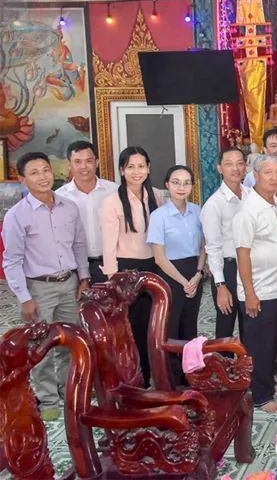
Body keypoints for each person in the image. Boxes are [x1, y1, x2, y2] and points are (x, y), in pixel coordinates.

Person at [2, 152, 90, 420]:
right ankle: (48, 398)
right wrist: (24, 297)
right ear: (22, 179)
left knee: (71, 341)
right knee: (39, 345)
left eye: (46, 170)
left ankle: (69, 390)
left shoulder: (69, 207)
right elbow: (11, 260)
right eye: (34, 173)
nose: (43, 177)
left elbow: (79, 245)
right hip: (39, 288)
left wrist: (84, 278)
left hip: (69, 283)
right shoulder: (17, 215)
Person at [100, 146, 164, 387]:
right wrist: (113, 280)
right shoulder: (112, 202)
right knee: (133, 328)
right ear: (122, 170)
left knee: (155, 324)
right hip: (127, 270)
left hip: (154, 266)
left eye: (141, 166)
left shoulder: (156, 195)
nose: (136, 172)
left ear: (148, 168)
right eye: (130, 167)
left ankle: (158, 374)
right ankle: (138, 380)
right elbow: (108, 246)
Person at [233, 154, 277, 413]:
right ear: (255, 176)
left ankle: (267, 381)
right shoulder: (248, 210)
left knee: (272, 341)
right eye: (268, 173)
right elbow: (242, 253)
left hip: (276, 287)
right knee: (258, 344)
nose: (274, 177)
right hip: (259, 290)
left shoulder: (274, 201)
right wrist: (250, 293)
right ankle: (260, 396)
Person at [147, 165, 206, 386]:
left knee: (190, 326)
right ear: (167, 185)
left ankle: (190, 375)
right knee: (170, 327)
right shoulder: (159, 216)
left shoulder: (197, 211)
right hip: (171, 276)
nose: (181, 187)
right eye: (176, 182)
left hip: (194, 273)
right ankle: (170, 378)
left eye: (186, 183)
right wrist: (183, 282)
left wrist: (198, 274)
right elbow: (159, 258)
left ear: (192, 186)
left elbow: (203, 245)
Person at [201, 147, 249, 340]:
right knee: (225, 325)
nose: (235, 169)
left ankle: (248, 359)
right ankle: (223, 359)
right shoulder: (214, 205)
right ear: (220, 168)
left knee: (250, 321)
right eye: (229, 164)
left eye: (239, 163)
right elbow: (213, 248)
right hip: (228, 269)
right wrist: (220, 285)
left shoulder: (251, 196)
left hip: (249, 267)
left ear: (245, 167)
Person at [56, 140, 119, 284]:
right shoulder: (60, 197)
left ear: (97, 162)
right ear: (69, 164)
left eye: (88, 161)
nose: (83, 167)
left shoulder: (114, 191)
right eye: (77, 162)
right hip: (75, 268)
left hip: (111, 264)